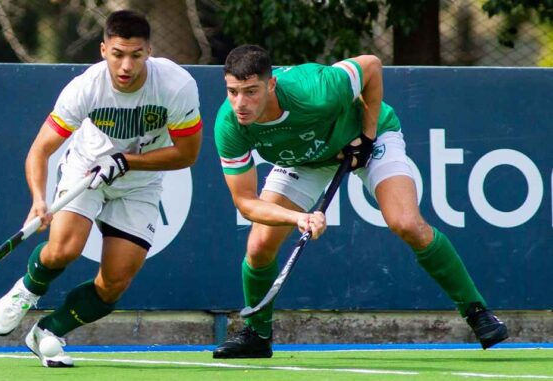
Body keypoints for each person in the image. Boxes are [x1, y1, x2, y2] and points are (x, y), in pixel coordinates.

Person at [212, 44, 508, 359]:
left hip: (367, 138)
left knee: (406, 223)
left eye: (251, 92)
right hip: (302, 159)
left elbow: (371, 66)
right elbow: (245, 202)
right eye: (233, 92)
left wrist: (366, 138)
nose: (241, 103)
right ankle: (257, 334)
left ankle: (477, 312)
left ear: (271, 85)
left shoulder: (315, 90)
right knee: (258, 246)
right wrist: (298, 218)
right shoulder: (229, 124)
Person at [0, 10, 203, 368]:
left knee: (114, 283)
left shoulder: (176, 86)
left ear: (149, 51)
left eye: (136, 55)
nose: (126, 65)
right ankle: (27, 289)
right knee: (63, 250)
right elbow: (40, 151)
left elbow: (187, 154)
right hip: (85, 171)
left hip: (140, 184)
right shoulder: (85, 88)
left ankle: (48, 331)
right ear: (103, 50)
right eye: (118, 54)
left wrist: (128, 161)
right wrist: (39, 200)